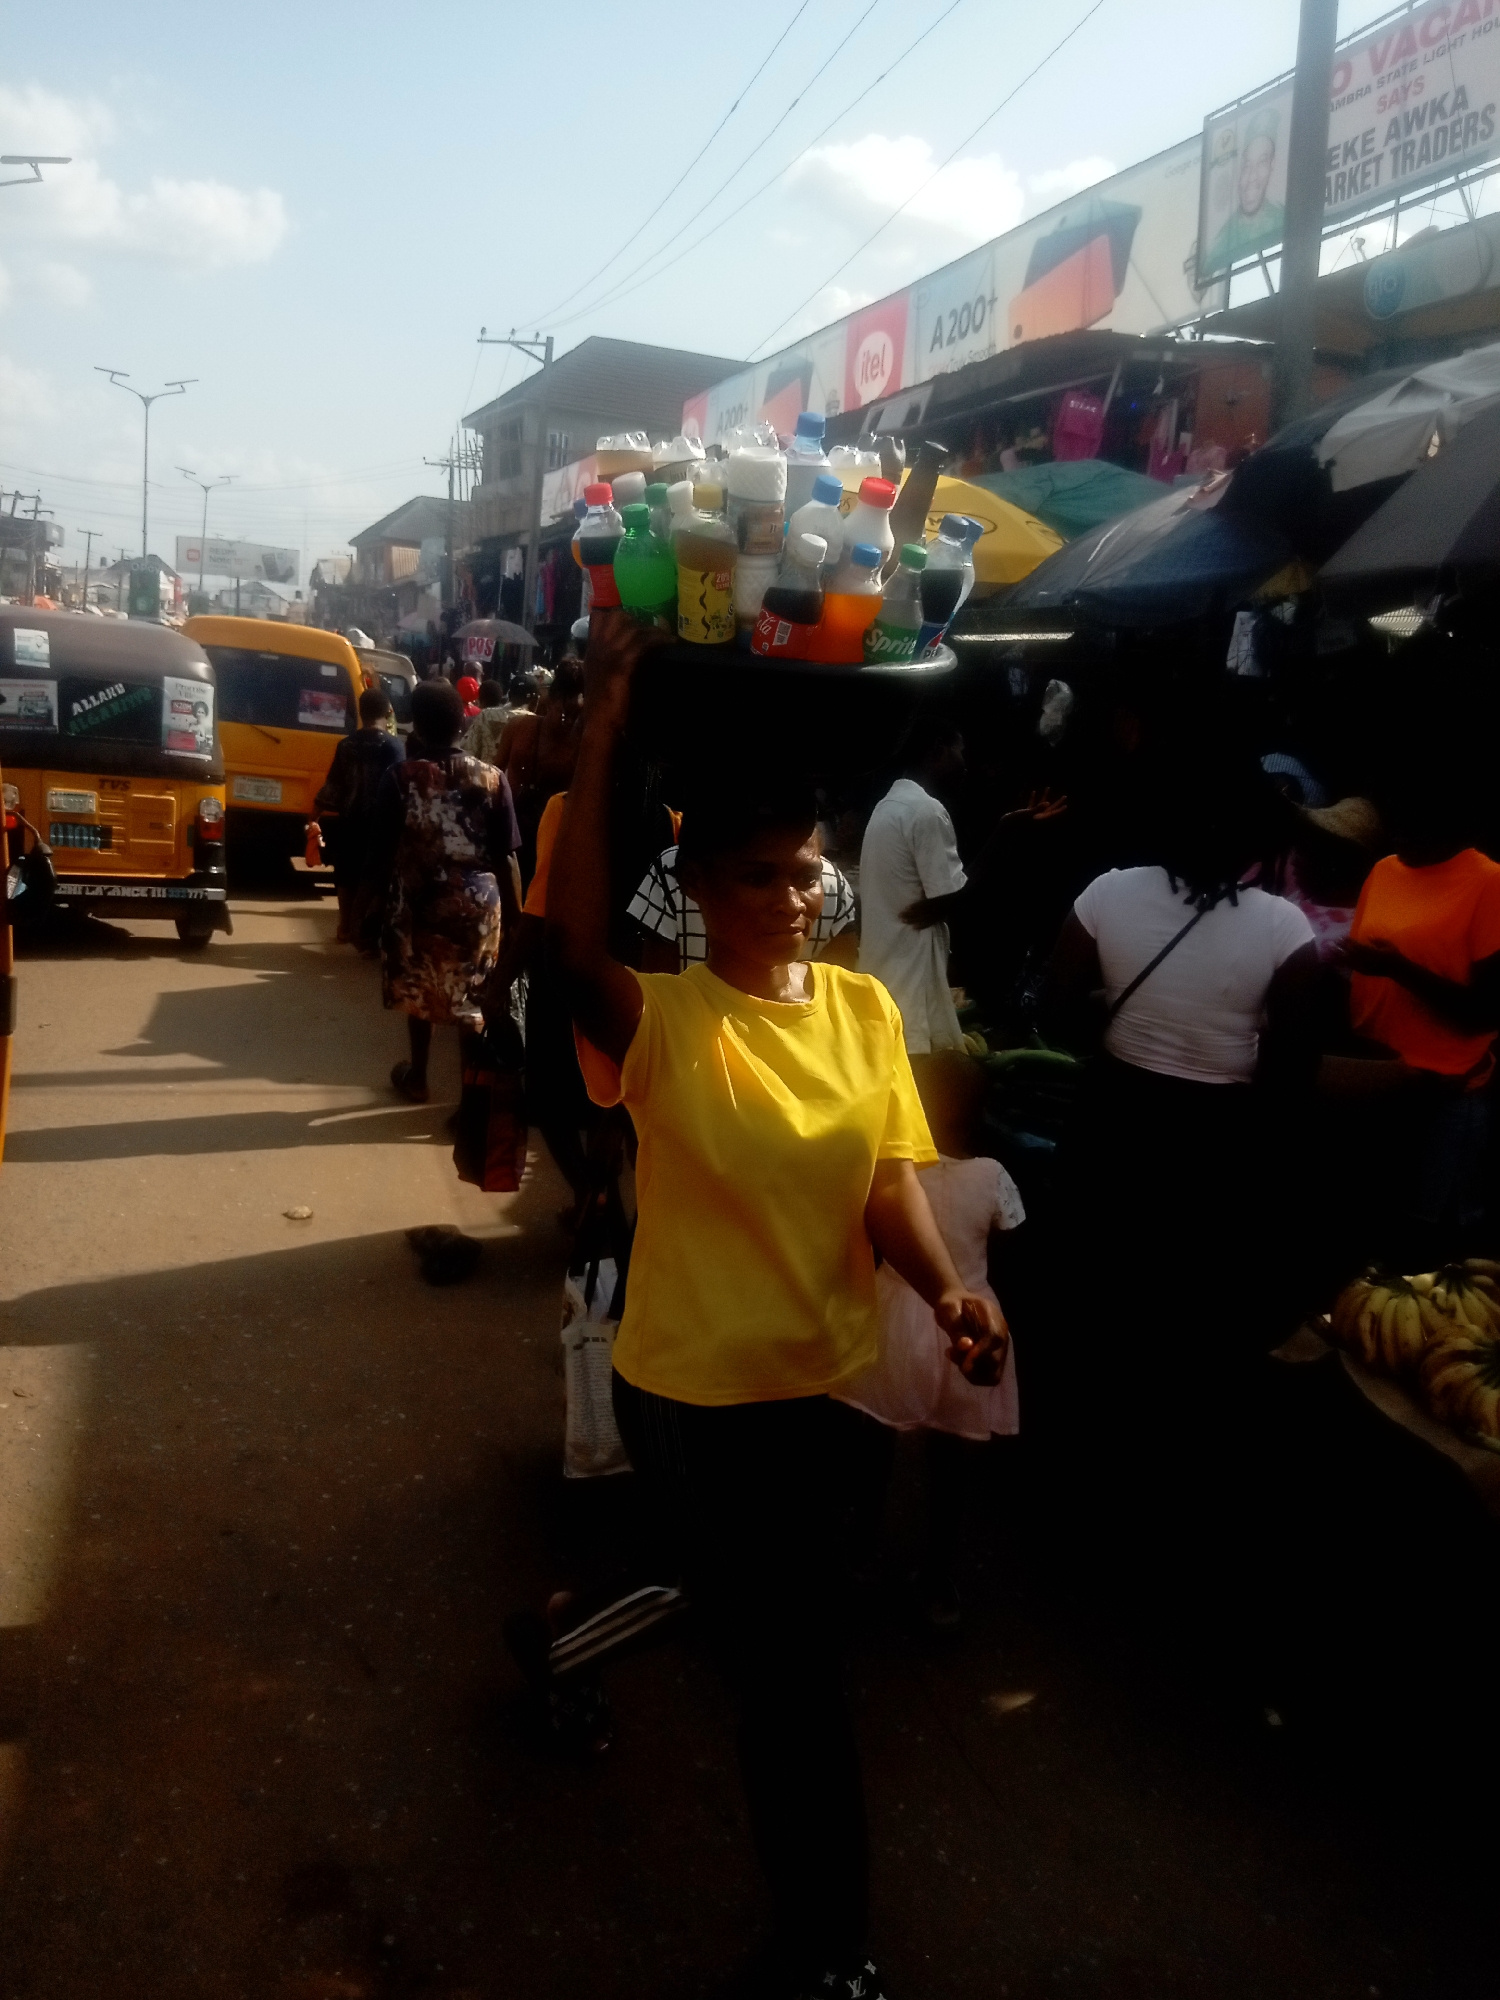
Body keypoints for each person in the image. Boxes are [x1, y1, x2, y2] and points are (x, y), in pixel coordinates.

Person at [546, 609, 1006, 2000]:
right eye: (760, 875)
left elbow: (885, 1179)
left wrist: (949, 1291)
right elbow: (570, 946)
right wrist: (604, 726)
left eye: (807, 870)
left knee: (777, 1635)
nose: (794, 895)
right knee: (794, 1675)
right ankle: (831, 1952)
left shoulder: (861, 1014)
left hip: (832, 1385)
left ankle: (574, 1636)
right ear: (698, 884)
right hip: (695, 1398)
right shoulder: (668, 1023)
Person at [835, 1050, 1024, 1628]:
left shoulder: (892, 1173)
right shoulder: (992, 1175)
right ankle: (938, 1581)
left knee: (874, 1448)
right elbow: (1011, 1249)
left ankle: (858, 1556)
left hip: (893, 1317)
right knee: (951, 1462)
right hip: (968, 1326)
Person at [1343, 761, 1500, 1261]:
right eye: (1395, 824)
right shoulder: (1384, 870)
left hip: (1443, 1091)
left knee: (1426, 1244)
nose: (1400, 837)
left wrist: (1398, 969)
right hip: (1374, 1080)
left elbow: (1486, 1012)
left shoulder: (1489, 882)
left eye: (1414, 826)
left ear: (1452, 825)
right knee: (1371, 1228)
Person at [365, 678, 522, 1104]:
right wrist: (516, 922)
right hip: (479, 909)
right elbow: (507, 858)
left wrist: (369, 907)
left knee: (420, 989)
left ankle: (418, 1077)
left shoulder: (399, 779)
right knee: (472, 1003)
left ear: (416, 727)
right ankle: (469, 1104)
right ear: (461, 726)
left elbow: (379, 852)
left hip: (417, 904)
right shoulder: (493, 779)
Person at [858, 715, 969, 1057]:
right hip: (910, 981)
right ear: (938, 750)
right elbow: (953, 897)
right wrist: (1007, 833)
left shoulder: (887, 806)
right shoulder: (926, 811)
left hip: (886, 973)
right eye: (960, 751)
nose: (964, 763)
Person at [630, 834, 858, 973]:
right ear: (692, 883)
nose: (792, 905)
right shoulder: (674, 870)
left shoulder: (675, 867)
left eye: (807, 879)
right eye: (757, 879)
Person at [315, 685, 403, 944]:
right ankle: (368, 930)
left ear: (360, 712)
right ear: (388, 712)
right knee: (377, 877)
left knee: (346, 873)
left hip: (349, 819)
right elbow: (401, 788)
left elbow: (333, 785)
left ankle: (345, 926)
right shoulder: (394, 747)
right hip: (382, 824)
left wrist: (314, 815)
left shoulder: (346, 745)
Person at [494, 658, 585, 883]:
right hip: (512, 836)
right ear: (550, 701)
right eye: (565, 713)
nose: (569, 722)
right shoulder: (519, 727)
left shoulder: (582, 745)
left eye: (577, 716)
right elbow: (495, 776)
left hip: (553, 845)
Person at [461, 677, 510, 763]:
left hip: (483, 768)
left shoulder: (479, 718)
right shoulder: (510, 717)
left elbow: (467, 749)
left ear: (480, 699)